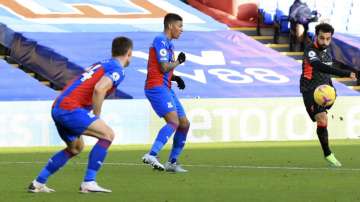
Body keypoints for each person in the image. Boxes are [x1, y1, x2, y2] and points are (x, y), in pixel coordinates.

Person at [28, 36, 133, 193]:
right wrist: (96, 116)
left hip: (59, 106)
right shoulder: (117, 69)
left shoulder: (100, 64)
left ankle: (38, 183)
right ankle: (89, 182)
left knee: (75, 148)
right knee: (108, 135)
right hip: (70, 108)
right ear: (129, 53)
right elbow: (99, 89)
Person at [300, 23, 358, 167]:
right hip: (311, 90)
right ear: (316, 36)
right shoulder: (310, 51)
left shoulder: (327, 53)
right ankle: (328, 154)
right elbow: (319, 66)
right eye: (322, 38)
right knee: (322, 118)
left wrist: (332, 89)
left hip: (326, 89)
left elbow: (326, 73)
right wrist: (345, 73)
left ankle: (328, 153)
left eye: (328, 39)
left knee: (323, 120)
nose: (325, 42)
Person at [142, 13, 190, 173]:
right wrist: (178, 62)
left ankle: (172, 162)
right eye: (180, 26)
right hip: (156, 87)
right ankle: (152, 154)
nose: (182, 30)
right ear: (170, 26)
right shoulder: (160, 40)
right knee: (173, 122)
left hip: (166, 87)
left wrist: (175, 77)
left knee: (184, 124)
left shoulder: (169, 44)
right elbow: (163, 67)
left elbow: (162, 69)